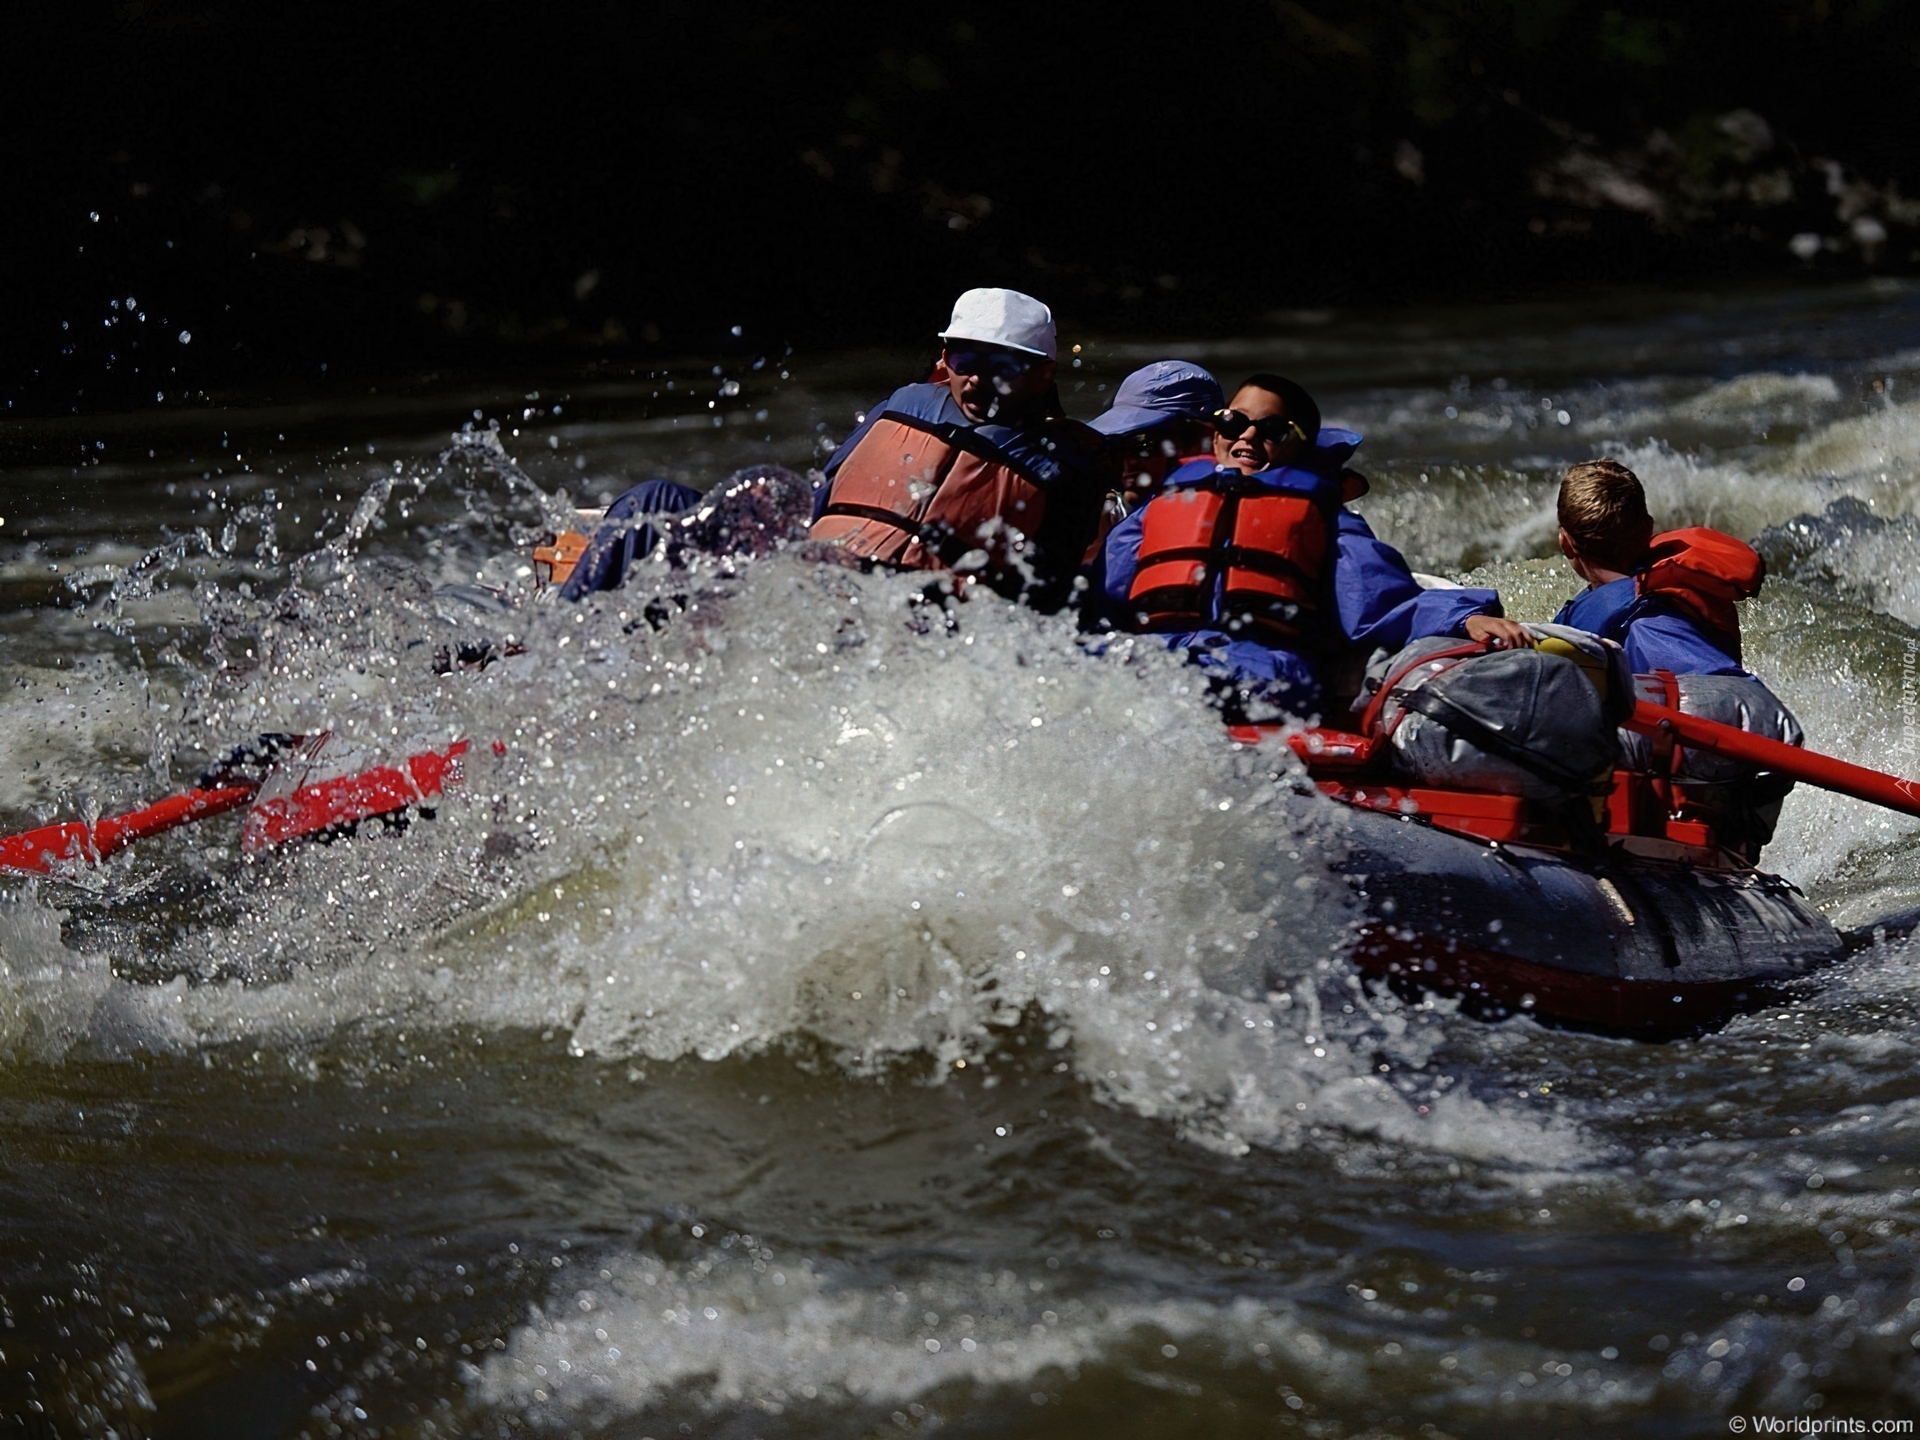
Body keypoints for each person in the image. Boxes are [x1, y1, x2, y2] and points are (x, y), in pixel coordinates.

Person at [1101, 373, 1525, 718]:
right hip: (1162, 654)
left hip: (1263, 667)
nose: (1246, 436)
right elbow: (1108, 590)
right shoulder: (1161, 505)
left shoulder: (1322, 516)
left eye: (1270, 430)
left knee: (1179, 689)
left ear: (1298, 447)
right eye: (1234, 422)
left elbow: (1380, 598)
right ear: (1216, 435)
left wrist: (1463, 619)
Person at [807, 287, 1109, 611]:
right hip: (824, 592)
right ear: (944, 358)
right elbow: (817, 500)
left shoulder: (1065, 469)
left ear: (1044, 372)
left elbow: (1049, 595)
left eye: (1002, 366)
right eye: (964, 360)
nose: (977, 379)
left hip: (932, 628)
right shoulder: (899, 407)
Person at [1550, 459, 1763, 674]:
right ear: (1648, 528)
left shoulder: (1647, 629)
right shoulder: (1678, 586)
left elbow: (1724, 695)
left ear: (1565, 544)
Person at [1087, 360, 1224, 512]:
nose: (1128, 462)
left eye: (1143, 445)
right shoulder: (1104, 515)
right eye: (1116, 446)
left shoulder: (1233, 501)